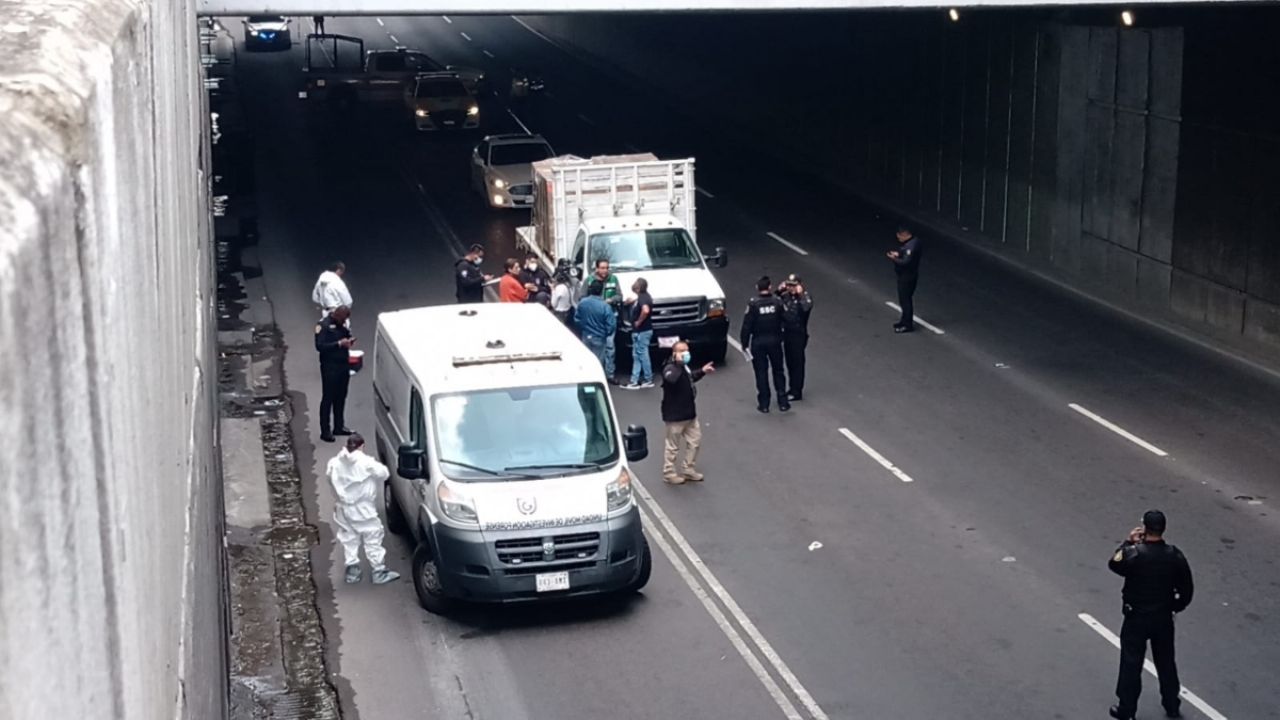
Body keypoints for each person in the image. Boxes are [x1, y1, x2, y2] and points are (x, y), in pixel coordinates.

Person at [1107, 510, 1194, 720]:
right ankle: (1172, 704)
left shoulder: (1134, 554)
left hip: (1136, 617)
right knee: (1166, 662)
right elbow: (1187, 590)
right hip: (1163, 618)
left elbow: (1114, 564)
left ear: (1145, 528)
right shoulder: (1174, 556)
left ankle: (1127, 709)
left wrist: (1127, 542)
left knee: (1131, 662)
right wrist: (1175, 607)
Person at [325, 433, 401, 586]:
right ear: (362, 446)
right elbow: (384, 473)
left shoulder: (334, 462)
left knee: (349, 537)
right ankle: (378, 571)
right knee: (372, 536)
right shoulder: (366, 462)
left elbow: (329, 478)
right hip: (363, 508)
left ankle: (352, 571)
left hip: (343, 507)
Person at [660, 341, 714, 484]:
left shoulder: (685, 368)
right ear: (674, 354)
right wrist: (678, 364)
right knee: (672, 447)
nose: (686, 353)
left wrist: (702, 371)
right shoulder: (670, 368)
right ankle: (669, 473)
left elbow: (690, 379)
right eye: (682, 351)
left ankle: (688, 469)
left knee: (695, 442)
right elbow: (671, 379)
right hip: (675, 416)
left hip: (689, 414)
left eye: (687, 350)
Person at [741, 276, 789, 413]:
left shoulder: (753, 304)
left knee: (761, 373)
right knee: (778, 371)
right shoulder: (777, 302)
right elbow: (787, 319)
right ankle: (783, 402)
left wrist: (744, 343)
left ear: (757, 288)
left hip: (758, 342)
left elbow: (746, 326)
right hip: (775, 341)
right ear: (770, 287)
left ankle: (764, 404)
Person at [315, 306, 354, 443]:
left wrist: (349, 341)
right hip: (330, 367)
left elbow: (346, 335)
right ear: (337, 315)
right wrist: (338, 344)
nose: (344, 322)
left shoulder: (342, 325)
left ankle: (339, 426)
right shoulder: (323, 326)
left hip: (343, 365)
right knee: (328, 398)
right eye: (342, 319)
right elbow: (320, 346)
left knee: (341, 396)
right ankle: (325, 431)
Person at [777, 274, 814, 402]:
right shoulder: (785, 296)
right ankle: (792, 388)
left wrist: (801, 294)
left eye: (793, 285)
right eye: (789, 285)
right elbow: (775, 301)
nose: (790, 288)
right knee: (789, 362)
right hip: (786, 332)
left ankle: (796, 391)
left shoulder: (805, 297)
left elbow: (806, 308)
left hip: (798, 334)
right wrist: (779, 290)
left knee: (797, 363)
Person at [886, 224, 923, 333]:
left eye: (899, 236)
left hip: (907, 276)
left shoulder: (911, 245)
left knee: (905, 300)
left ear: (905, 235)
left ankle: (907, 324)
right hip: (907, 275)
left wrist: (894, 259)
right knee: (904, 299)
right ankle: (904, 320)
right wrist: (899, 254)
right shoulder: (913, 242)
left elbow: (906, 262)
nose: (899, 238)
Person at [622, 278, 655, 390]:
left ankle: (647, 379)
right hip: (641, 331)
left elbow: (645, 310)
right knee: (637, 355)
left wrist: (639, 322)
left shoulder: (643, 298)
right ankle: (635, 380)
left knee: (642, 354)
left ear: (638, 287)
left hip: (642, 331)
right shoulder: (643, 297)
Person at [592, 258, 622, 382]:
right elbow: (581, 297)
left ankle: (610, 374)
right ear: (597, 268)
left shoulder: (613, 279)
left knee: (610, 347)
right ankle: (597, 374)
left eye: (606, 268)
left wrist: (611, 300)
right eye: (602, 268)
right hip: (596, 319)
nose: (605, 270)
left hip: (610, 317)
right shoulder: (590, 280)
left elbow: (620, 296)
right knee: (597, 347)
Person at [575, 281, 615, 369]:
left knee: (586, 360)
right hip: (599, 337)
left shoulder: (582, 303)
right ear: (601, 291)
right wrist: (606, 333)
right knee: (598, 362)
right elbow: (611, 325)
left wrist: (583, 328)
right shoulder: (605, 306)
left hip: (586, 335)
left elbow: (577, 319)